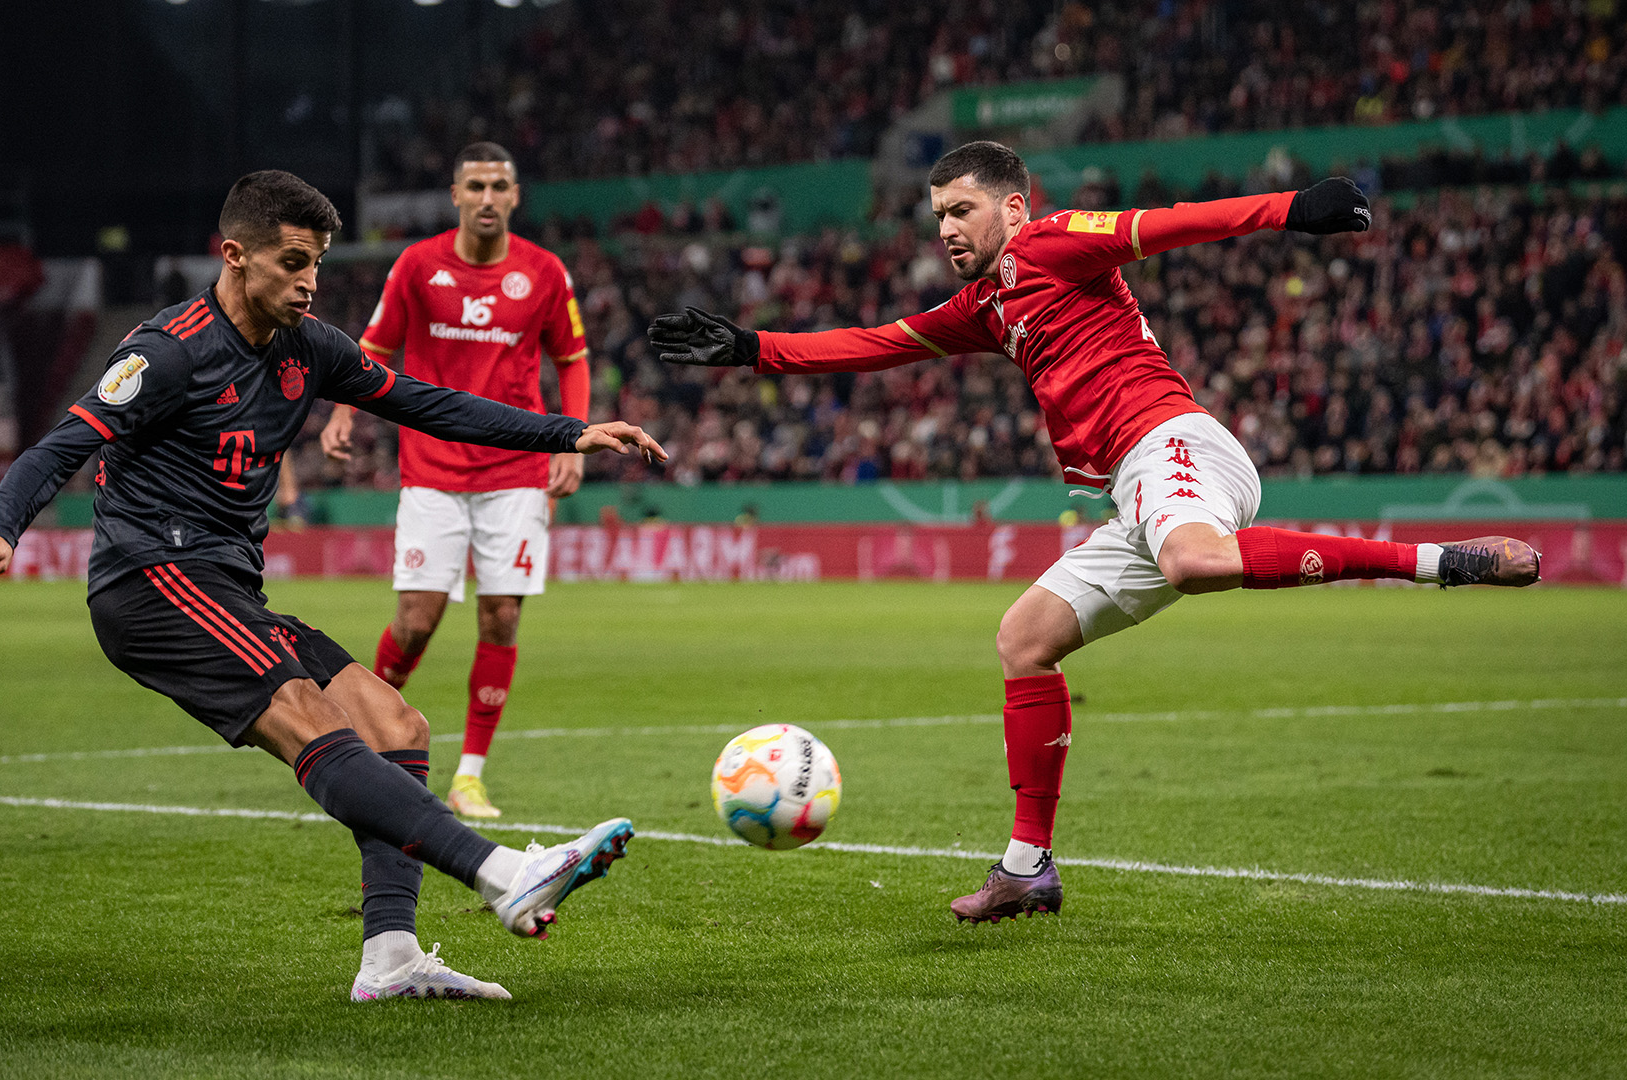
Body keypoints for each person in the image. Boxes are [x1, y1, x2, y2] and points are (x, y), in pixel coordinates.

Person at [649, 141, 1540, 925]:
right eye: (936, 217)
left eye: (961, 211)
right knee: (1025, 639)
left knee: (1194, 561)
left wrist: (1289, 211)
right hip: (1132, 490)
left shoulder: (1055, 240)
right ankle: (1027, 871)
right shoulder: (986, 306)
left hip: (1174, 442)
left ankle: (1437, 561)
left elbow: (1167, 223)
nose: (947, 230)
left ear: (1011, 207)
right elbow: (877, 342)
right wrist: (750, 348)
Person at [0, 170, 668, 1001]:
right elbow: (60, 445)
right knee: (307, 714)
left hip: (225, 587)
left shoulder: (309, 346)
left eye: (316, 261)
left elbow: (429, 404)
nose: (310, 280)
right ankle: (504, 872)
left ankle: (390, 956)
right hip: (148, 579)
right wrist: (0, 527)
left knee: (396, 722)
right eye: (292, 261)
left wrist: (567, 430)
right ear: (235, 255)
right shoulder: (166, 351)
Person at [321, 142, 590, 820]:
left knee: (501, 615)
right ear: (456, 194)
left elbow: (574, 358)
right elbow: (373, 348)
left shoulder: (545, 272)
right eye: (477, 185)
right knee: (415, 623)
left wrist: (574, 437)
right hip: (433, 471)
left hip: (516, 472)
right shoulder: (417, 265)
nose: (489, 197)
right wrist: (344, 410)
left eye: (500, 185)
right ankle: (363, 743)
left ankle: (470, 774)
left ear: (516, 195)